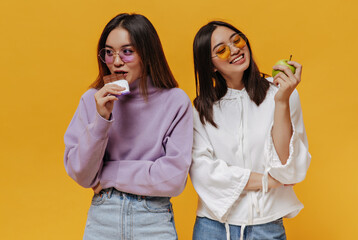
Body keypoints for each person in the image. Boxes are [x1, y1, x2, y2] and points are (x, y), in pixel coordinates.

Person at [63, 13, 193, 240]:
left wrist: (108, 175)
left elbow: (173, 179)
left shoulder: (175, 101)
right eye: (109, 52)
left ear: (147, 54)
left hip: (154, 218)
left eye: (127, 51)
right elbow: (82, 175)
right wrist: (102, 119)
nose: (116, 61)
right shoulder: (92, 99)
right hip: (103, 216)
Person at [190, 21, 311, 240]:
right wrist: (269, 181)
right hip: (213, 228)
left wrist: (282, 102)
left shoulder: (283, 93)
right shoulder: (201, 109)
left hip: (266, 226)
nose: (235, 49)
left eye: (237, 40)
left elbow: (288, 167)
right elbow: (203, 172)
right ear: (211, 66)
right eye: (222, 49)